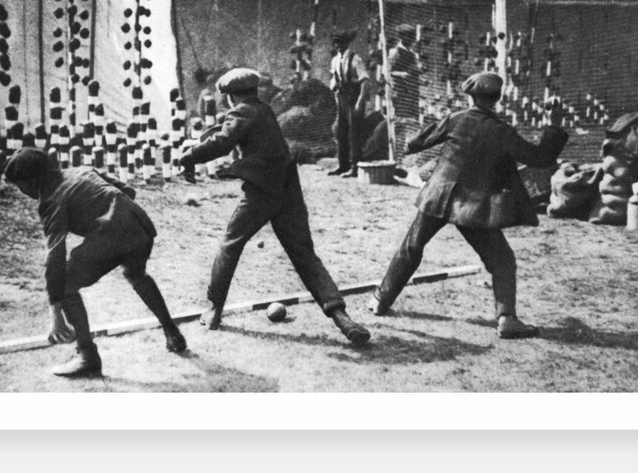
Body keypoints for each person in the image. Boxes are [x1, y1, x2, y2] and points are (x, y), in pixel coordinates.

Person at [367, 72, 569, 339]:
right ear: (497, 98)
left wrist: (423, 139)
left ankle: (380, 300)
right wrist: (553, 125)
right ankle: (507, 318)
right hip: (472, 206)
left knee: (412, 246)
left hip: (437, 196)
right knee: (502, 259)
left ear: (471, 96)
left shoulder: (456, 119)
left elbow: (413, 143)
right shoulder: (501, 131)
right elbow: (540, 158)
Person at [179, 68, 371, 346]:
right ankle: (342, 318)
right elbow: (228, 133)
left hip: (262, 191)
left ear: (232, 96)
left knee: (230, 245)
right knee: (304, 255)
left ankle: (213, 310)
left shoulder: (241, 112)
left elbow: (222, 141)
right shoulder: (264, 110)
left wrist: (189, 156)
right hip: (289, 190)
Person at [2, 148, 187, 377]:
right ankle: (172, 333)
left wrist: (55, 313)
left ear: (32, 180)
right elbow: (129, 190)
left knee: (65, 286)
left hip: (112, 234)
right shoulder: (82, 170)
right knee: (136, 274)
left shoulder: (50, 200)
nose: (22, 192)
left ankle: (87, 356)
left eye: (20, 186)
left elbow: (55, 256)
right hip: (140, 226)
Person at [328, 30, 370, 178]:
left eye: (341, 42)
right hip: (342, 99)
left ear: (347, 43)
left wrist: (359, 102)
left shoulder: (355, 59)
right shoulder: (335, 60)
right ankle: (343, 165)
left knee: (354, 134)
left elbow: (365, 82)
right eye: (336, 42)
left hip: (354, 99)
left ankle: (355, 167)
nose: (338, 45)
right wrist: (334, 88)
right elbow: (334, 78)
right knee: (341, 132)